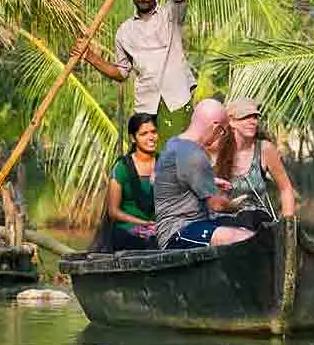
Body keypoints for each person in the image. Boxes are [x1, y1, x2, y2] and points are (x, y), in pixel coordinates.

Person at [78, 0, 195, 139]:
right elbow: (121, 73)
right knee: (147, 158)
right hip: (146, 108)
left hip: (177, 101)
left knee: (178, 155)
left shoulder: (171, 15)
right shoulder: (125, 32)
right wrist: (90, 57)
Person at [154, 99, 255, 249]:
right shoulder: (195, 154)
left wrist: (211, 181)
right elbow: (217, 205)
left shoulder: (174, 143)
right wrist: (235, 204)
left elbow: (179, 178)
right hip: (178, 230)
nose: (220, 137)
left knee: (246, 229)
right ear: (215, 127)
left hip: (178, 226)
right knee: (246, 238)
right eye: (222, 131)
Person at [212, 99, 297, 230]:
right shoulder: (215, 150)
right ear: (231, 121)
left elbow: (285, 188)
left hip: (256, 224)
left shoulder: (265, 149)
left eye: (255, 117)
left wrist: (288, 225)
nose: (253, 122)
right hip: (223, 224)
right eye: (246, 117)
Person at [103, 113, 160, 250]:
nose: (151, 137)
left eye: (153, 132)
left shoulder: (165, 163)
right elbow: (113, 211)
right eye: (144, 134)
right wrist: (143, 223)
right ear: (133, 138)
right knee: (148, 242)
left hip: (159, 226)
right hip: (128, 228)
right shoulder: (122, 167)